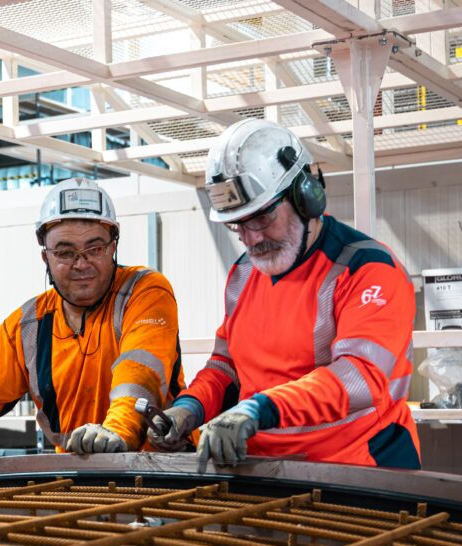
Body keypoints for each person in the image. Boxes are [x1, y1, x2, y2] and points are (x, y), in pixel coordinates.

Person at [148, 119, 420, 470]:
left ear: (306, 195)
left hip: (358, 469)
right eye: (237, 225)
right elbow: (227, 368)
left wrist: (258, 409)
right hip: (263, 471)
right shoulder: (244, 274)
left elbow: (359, 377)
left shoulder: (367, 269)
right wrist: (189, 409)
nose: (251, 239)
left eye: (261, 218)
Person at [0, 177, 185, 469]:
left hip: (160, 468)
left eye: (95, 249)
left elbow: (140, 372)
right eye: (65, 252)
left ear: (113, 247)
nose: (81, 264)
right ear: (46, 258)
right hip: (81, 476)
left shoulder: (144, 291)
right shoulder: (30, 326)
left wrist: (117, 432)